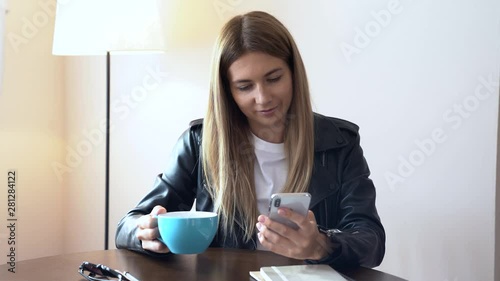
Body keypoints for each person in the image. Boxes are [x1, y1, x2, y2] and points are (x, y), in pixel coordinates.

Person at [115, 10, 385, 269]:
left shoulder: (338, 143)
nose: (263, 98)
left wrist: (321, 245)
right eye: (245, 86)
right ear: (227, 91)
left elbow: (371, 241)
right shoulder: (199, 143)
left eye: (274, 78)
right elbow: (127, 226)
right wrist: (144, 232)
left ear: (293, 73)